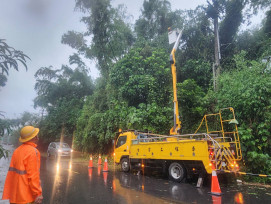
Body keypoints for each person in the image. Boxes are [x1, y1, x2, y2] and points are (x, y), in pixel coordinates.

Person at [2, 126, 43, 204]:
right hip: (26, 197)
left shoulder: (17, 151)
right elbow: (33, 176)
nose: (37, 137)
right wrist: (38, 194)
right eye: (36, 135)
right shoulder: (33, 152)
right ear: (34, 137)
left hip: (14, 196)